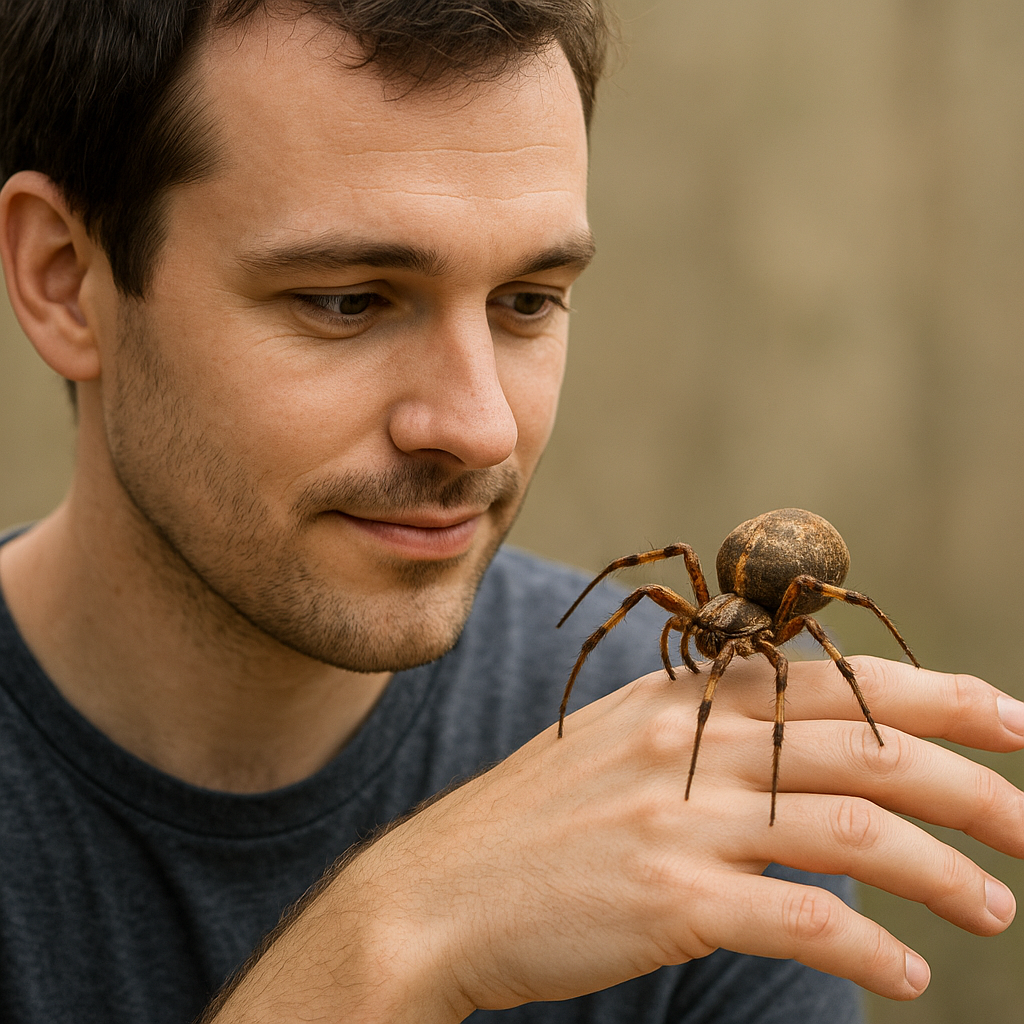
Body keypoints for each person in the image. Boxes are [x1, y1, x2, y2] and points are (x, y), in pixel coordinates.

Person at [0, 1, 1021, 1021]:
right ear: (63, 281)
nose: (481, 426)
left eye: (528, 300)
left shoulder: (697, 786)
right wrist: (375, 944)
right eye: (347, 300)